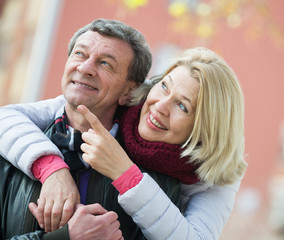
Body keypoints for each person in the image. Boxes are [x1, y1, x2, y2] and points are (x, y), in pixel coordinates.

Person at [0, 45, 247, 239]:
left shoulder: (218, 175)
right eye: (164, 86)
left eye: (182, 105)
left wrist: (125, 174)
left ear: (205, 131)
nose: (160, 106)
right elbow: (6, 117)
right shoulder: (121, 102)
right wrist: (53, 170)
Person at [0, 18, 161, 240]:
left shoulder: (153, 180)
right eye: (80, 54)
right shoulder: (8, 154)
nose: (85, 68)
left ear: (128, 92)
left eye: (106, 63)